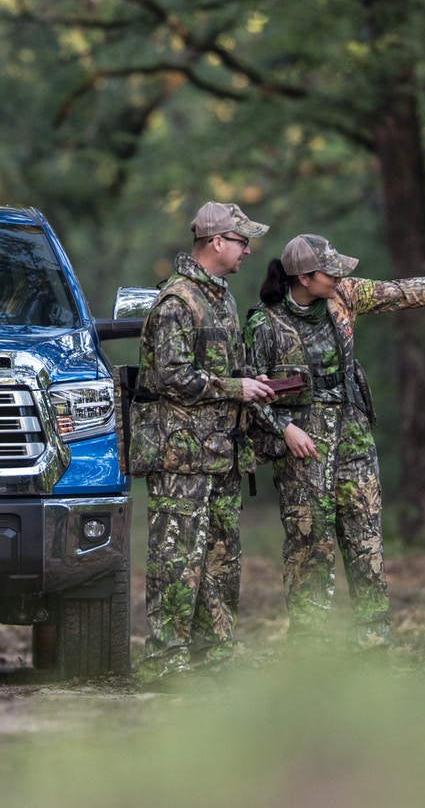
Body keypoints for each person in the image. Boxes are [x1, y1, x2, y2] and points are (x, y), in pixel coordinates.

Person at [244, 233, 425, 649]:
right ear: (303, 277)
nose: (339, 277)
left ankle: (373, 640)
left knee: (365, 539)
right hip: (303, 449)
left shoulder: (345, 297)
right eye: (330, 271)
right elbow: (247, 393)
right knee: (308, 545)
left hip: (354, 438)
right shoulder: (264, 324)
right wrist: (283, 429)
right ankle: (308, 649)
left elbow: (406, 291)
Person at [128, 201, 277, 687]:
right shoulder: (178, 301)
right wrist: (235, 388)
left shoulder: (223, 298)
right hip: (181, 456)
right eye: (241, 241)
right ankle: (165, 663)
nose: (248, 250)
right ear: (216, 241)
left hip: (222, 453)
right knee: (177, 559)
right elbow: (170, 377)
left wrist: (250, 380)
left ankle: (212, 659)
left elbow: (220, 367)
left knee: (221, 558)